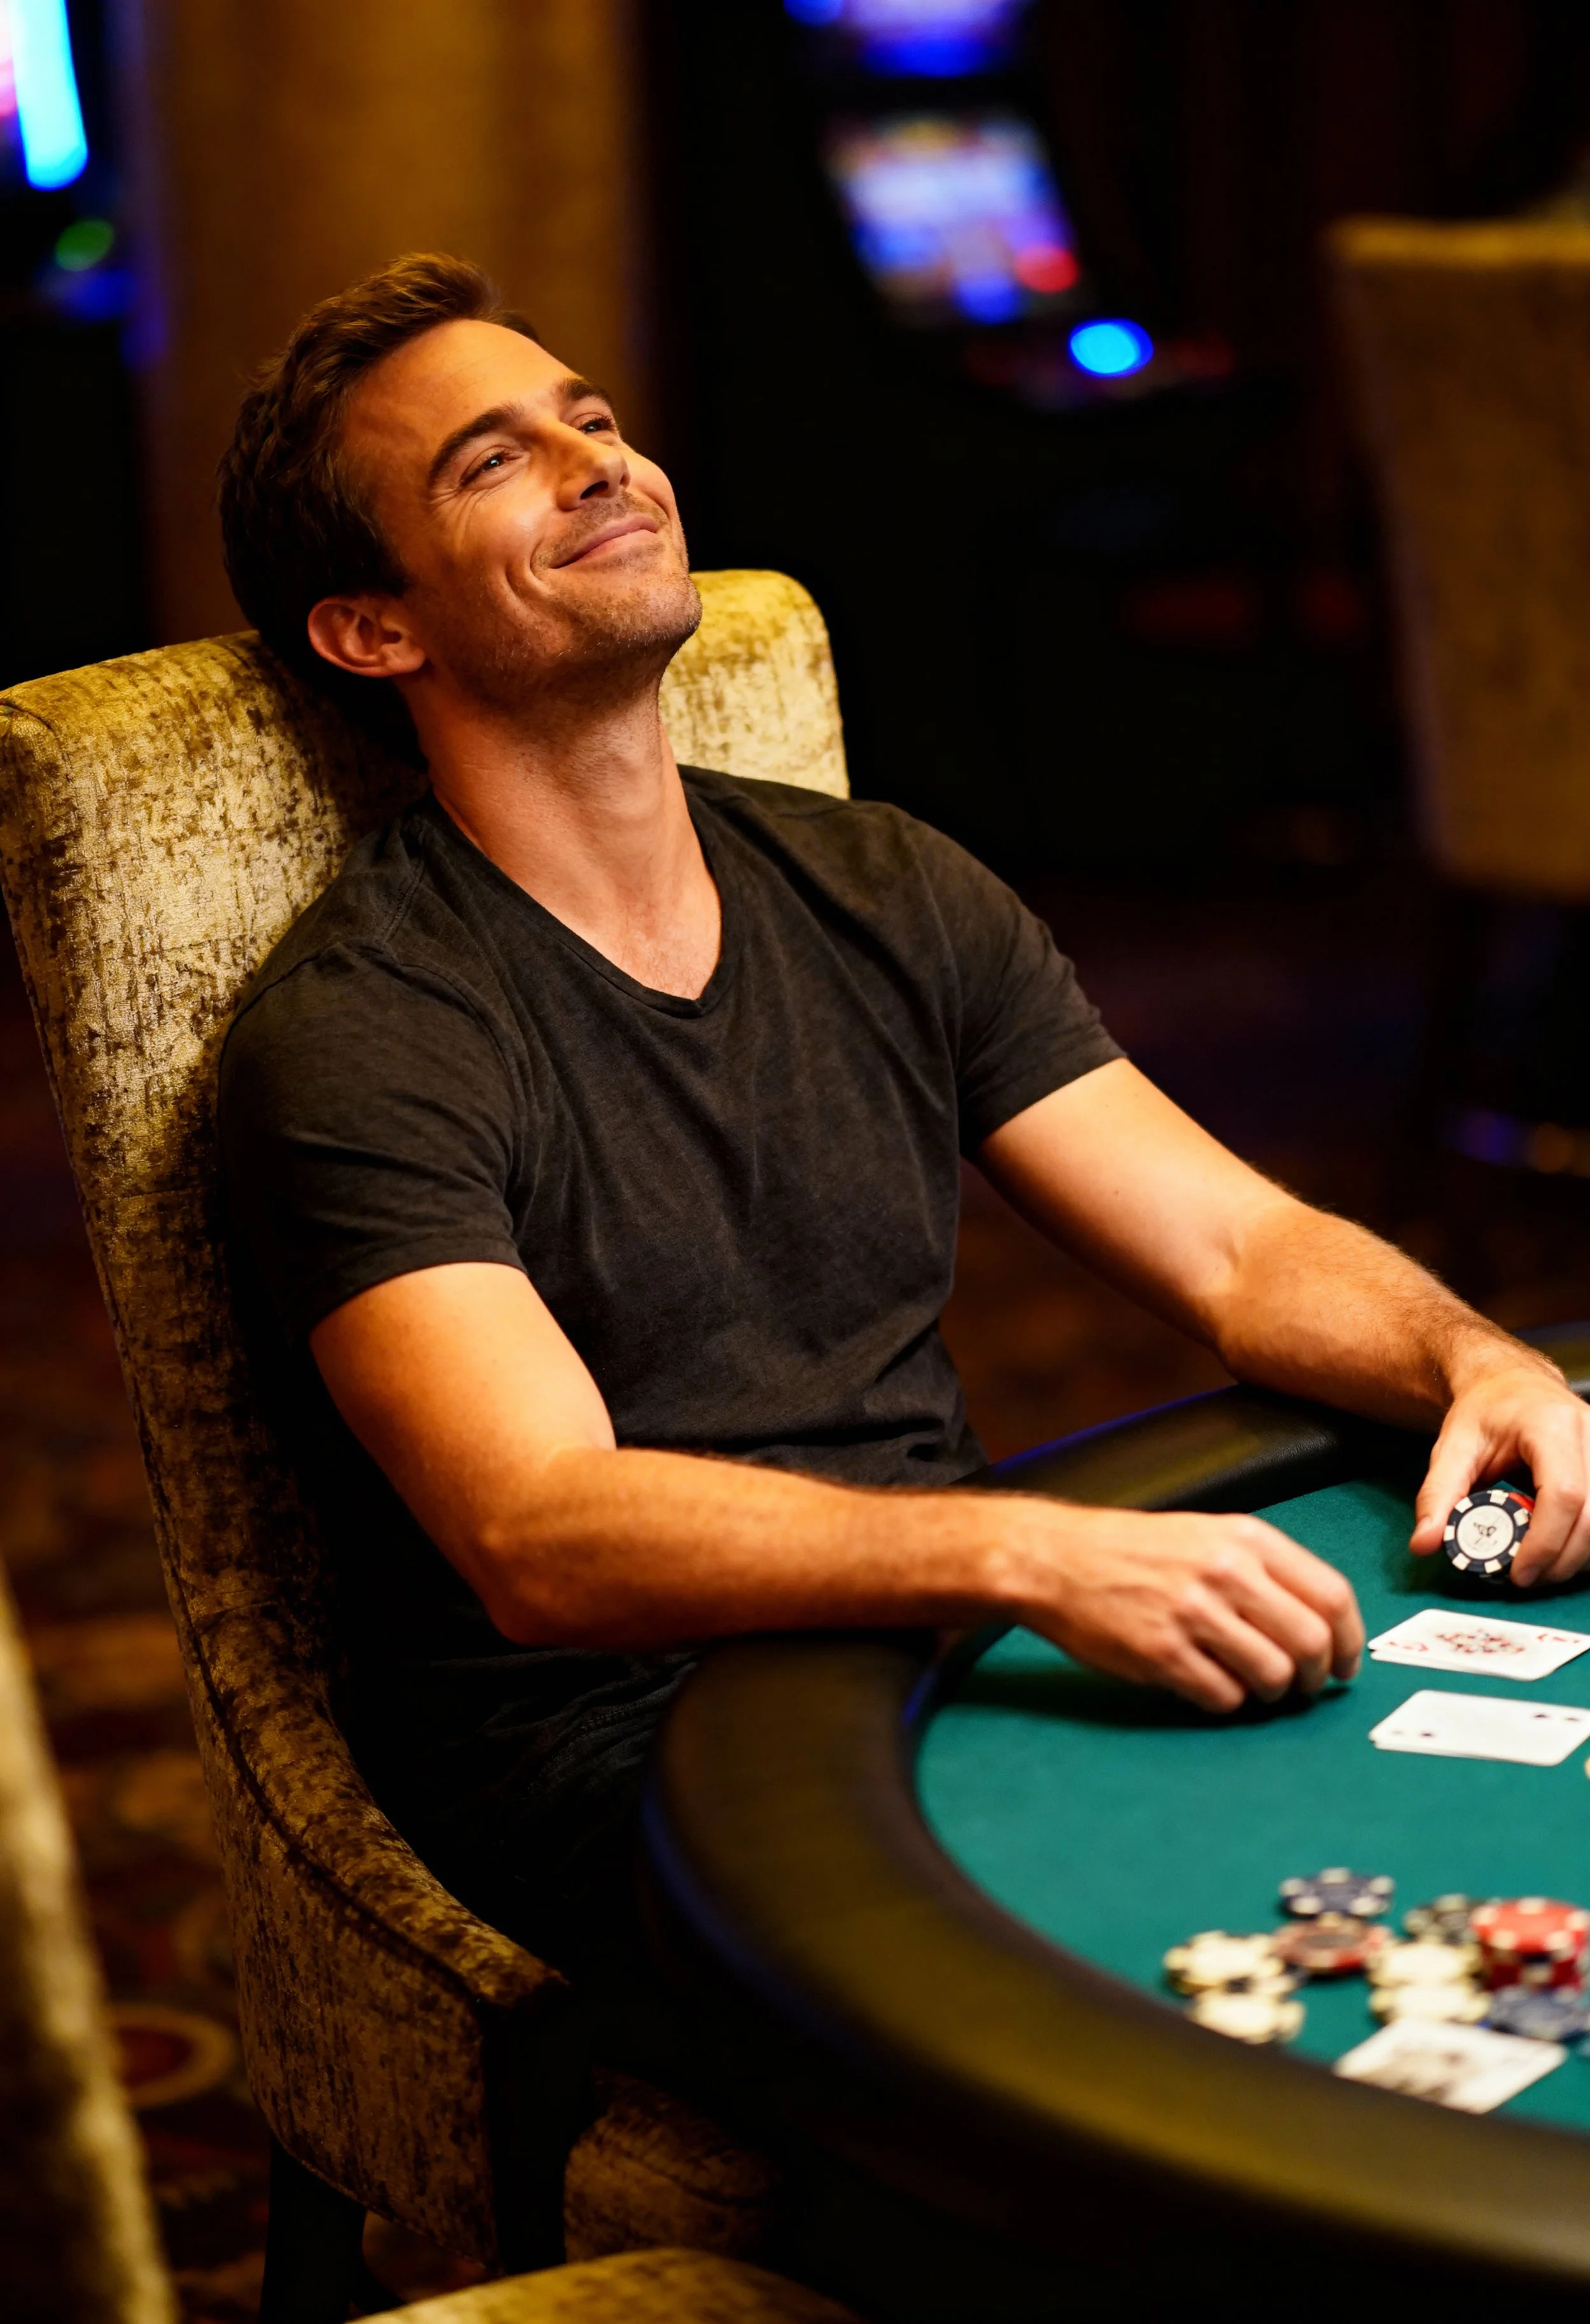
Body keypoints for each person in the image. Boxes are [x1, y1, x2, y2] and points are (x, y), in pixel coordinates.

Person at [216, 254, 1590, 2020]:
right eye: (490, 463)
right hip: (628, 1760)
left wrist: (1472, 1361)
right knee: (1211, 2049)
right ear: (371, 626)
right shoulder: (366, 1026)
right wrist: (1018, 1546)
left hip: (929, 1657)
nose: (597, 466)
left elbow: (1235, 1248)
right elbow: (538, 1530)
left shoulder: (879, 881)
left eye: (592, 420)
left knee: (1435, 1900)